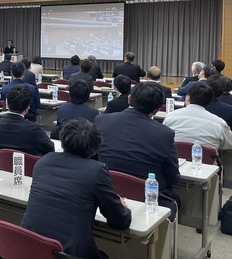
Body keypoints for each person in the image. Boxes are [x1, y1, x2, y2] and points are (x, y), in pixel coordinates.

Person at [20, 119, 131, 259]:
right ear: (95, 148)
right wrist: (122, 206)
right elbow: (119, 222)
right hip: (67, 253)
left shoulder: (44, 161)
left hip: (30, 245)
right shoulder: (96, 171)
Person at [94, 82, 179, 220]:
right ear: (157, 109)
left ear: (129, 99)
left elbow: (93, 158)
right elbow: (174, 176)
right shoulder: (165, 133)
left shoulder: (101, 120)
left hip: (105, 190)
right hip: (148, 196)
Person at [163, 82, 232, 150]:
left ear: (188, 98)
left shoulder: (170, 117)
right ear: (209, 101)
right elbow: (229, 144)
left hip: (175, 159)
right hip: (206, 160)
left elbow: (163, 138)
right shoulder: (219, 123)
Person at [0, 85, 54, 156]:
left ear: (7, 104)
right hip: (31, 166)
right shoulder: (34, 129)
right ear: (27, 108)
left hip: (3, 165)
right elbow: (50, 148)